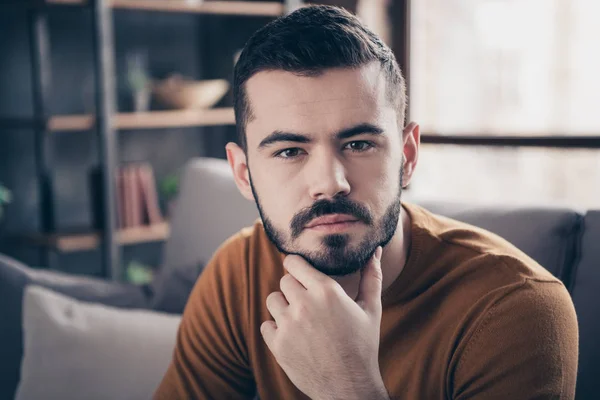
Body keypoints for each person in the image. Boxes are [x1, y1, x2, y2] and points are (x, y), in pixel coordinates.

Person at [154, 5, 578, 399]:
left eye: (358, 144)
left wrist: (350, 386)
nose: (330, 183)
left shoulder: (516, 310)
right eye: (289, 151)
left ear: (407, 157)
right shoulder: (237, 276)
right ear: (244, 174)